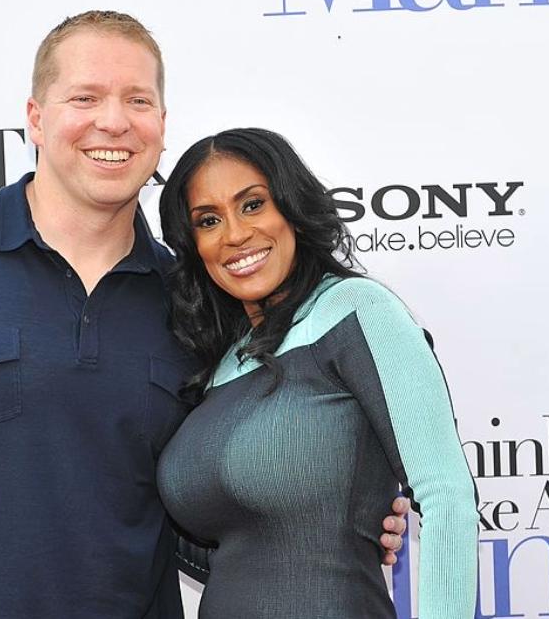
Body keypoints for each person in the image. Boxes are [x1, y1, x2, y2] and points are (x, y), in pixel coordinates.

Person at [0, 12, 410, 619]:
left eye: (137, 100)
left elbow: (214, 497)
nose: (113, 122)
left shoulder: (198, 299)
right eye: (85, 97)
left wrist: (333, 519)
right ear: (36, 118)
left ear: (162, 126)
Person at [156, 127, 479, 618]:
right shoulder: (219, 364)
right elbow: (242, 555)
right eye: (208, 220)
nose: (235, 234)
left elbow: (445, 496)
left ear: (292, 207)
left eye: (252, 204)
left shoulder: (356, 310)